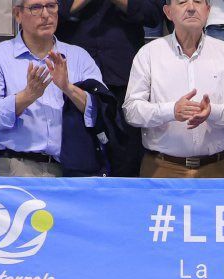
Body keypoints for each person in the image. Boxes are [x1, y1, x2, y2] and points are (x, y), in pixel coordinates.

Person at [123, 0, 224, 177]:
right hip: (162, 168)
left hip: (218, 168)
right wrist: (171, 111)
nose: (191, 8)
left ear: (208, 11)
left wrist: (211, 112)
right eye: (182, 2)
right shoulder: (148, 54)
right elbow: (131, 111)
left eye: (198, 2)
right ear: (168, 13)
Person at [0, 0, 102, 177]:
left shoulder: (79, 57)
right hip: (16, 165)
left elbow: (102, 112)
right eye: (36, 8)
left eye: (51, 6)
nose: (45, 14)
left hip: (71, 169)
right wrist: (27, 96)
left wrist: (68, 88)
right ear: (18, 14)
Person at [59, 0, 160, 175]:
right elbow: (44, 13)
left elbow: (154, 15)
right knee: (77, 158)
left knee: (126, 161)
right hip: (73, 79)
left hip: (124, 76)